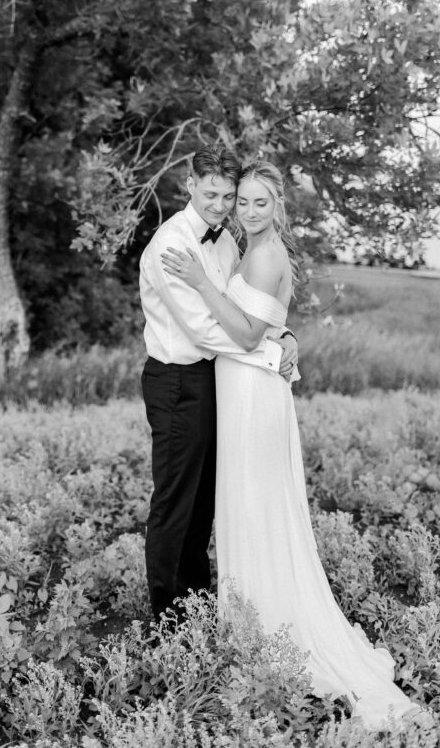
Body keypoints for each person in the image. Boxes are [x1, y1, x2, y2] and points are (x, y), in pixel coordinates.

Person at [161, 160, 429, 731]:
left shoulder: (263, 252)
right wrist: (286, 333)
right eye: (241, 202)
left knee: (257, 505)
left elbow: (246, 333)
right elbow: (264, 323)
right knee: (248, 505)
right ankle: (249, 623)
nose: (248, 211)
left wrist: (205, 284)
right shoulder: (244, 243)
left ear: (277, 205)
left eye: (259, 202)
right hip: (241, 389)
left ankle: (268, 629)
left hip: (254, 396)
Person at [138, 147, 298, 623]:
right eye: (212, 194)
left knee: (206, 496)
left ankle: (196, 598)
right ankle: (168, 620)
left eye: (229, 196)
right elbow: (204, 330)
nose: (221, 206)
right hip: (176, 383)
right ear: (189, 184)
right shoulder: (171, 244)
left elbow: (246, 312)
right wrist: (267, 350)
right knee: (174, 498)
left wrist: (283, 333)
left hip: (215, 379)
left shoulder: (227, 242)